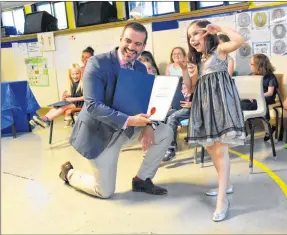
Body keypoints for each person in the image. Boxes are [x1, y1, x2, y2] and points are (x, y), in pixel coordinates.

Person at [58, 22, 173, 199]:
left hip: (126, 130)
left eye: (138, 44)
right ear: (121, 39)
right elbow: (93, 105)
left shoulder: (140, 68)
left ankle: (142, 179)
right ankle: (69, 174)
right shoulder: (97, 63)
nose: (131, 47)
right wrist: (130, 121)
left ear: (143, 47)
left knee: (165, 131)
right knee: (104, 191)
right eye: (128, 41)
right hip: (100, 134)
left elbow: (142, 103)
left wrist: (149, 126)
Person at [182, 20, 245, 222]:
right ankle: (225, 185)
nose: (192, 39)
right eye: (189, 36)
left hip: (222, 104)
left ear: (207, 33)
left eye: (196, 34)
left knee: (220, 149)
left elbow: (239, 39)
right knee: (210, 148)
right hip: (204, 106)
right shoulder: (199, 60)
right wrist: (186, 71)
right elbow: (191, 89)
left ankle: (221, 200)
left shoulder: (220, 50)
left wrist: (219, 29)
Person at [29, 64, 84, 128]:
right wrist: (64, 97)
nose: (75, 76)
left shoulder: (83, 83)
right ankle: (43, 119)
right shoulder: (70, 83)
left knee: (63, 107)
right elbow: (68, 95)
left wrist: (72, 99)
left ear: (80, 73)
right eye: (73, 74)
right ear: (70, 75)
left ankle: (46, 120)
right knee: (55, 108)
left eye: (77, 73)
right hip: (72, 103)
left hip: (80, 104)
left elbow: (85, 97)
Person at [241, 54, 279, 141]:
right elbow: (248, 89)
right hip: (254, 98)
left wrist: (257, 96)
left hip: (267, 97)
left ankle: (268, 128)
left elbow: (270, 93)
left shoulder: (270, 77)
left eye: (251, 64)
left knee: (261, 102)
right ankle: (243, 131)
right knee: (240, 104)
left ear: (259, 65)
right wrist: (249, 96)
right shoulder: (251, 75)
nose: (249, 66)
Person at [163, 47, 192, 162]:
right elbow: (167, 87)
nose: (176, 55)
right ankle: (161, 148)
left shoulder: (190, 69)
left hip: (188, 105)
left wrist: (192, 103)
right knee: (161, 116)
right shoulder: (169, 68)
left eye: (179, 53)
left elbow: (193, 90)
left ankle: (170, 148)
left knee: (172, 118)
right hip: (175, 103)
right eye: (174, 53)